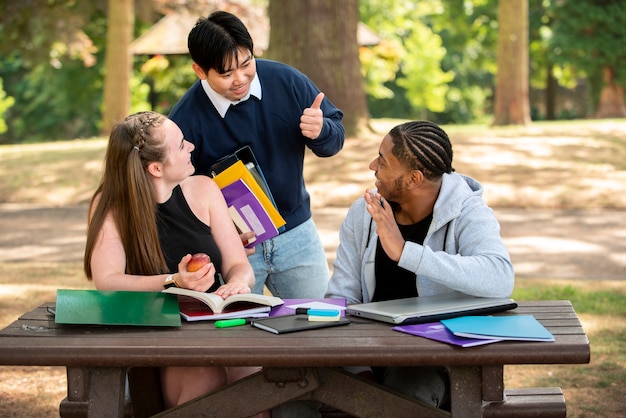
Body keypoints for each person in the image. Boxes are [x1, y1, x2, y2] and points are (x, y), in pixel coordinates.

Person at [83, 111, 268, 416]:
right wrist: (174, 281)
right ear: (156, 167)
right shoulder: (111, 204)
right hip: (158, 343)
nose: (192, 147)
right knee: (206, 377)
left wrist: (237, 282)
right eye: (181, 145)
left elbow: (239, 264)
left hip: (217, 330)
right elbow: (107, 280)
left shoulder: (205, 189)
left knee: (254, 381)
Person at [325, 120, 515, 409]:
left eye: (383, 161)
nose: (372, 165)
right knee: (295, 395)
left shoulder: (467, 210)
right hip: (366, 353)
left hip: (437, 359)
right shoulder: (364, 213)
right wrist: (356, 370)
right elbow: (342, 298)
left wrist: (405, 253)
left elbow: (499, 278)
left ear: (413, 179)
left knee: (404, 395)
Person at [169, 10, 345, 299]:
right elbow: (176, 196)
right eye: (226, 73)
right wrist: (218, 238)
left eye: (246, 64)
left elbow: (334, 140)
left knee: (317, 326)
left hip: (298, 236)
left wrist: (322, 130)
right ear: (200, 71)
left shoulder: (287, 81)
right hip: (234, 249)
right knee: (236, 337)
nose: (240, 79)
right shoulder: (184, 120)